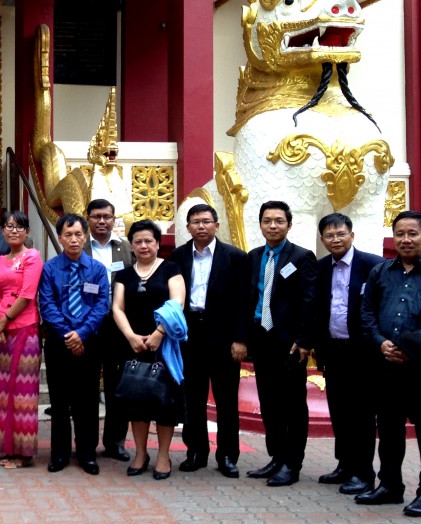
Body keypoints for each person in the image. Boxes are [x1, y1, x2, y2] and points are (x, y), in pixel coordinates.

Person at [357, 210, 421, 517]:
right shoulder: (380, 273)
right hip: (386, 365)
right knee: (388, 429)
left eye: (412, 233)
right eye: (400, 233)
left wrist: (410, 349)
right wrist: (381, 342)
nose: (405, 239)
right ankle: (389, 485)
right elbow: (367, 313)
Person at [170, 204, 249, 478]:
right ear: (188, 227)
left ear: (216, 225)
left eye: (206, 221)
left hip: (225, 339)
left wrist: (240, 339)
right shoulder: (178, 257)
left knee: (227, 399)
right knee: (192, 398)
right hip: (190, 337)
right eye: (195, 222)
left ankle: (227, 455)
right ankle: (196, 452)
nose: (200, 226)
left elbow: (243, 302)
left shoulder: (236, 257)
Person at [245, 200, 318, 487]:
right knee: (269, 402)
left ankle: (292, 463)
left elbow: (311, 302)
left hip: (290, 345)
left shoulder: (302, 257)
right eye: (267, 220)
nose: (272, 226)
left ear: (289, 224)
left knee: (293, 405)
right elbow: (248, 298)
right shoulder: (253, 257)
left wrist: (304, 340)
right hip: (262, 340)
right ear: (260, 224)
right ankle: (276, 457)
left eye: (278, 221)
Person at [313, 213, 383, 495]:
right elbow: (317, 309)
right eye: (329, 235)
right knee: (339, 411)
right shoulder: (320, 268)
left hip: (363, 352)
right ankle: (344, 465)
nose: (335, 239)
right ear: (322, 240)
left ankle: (364, 473)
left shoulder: (374, 266)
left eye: (341, 234)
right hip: (333, 350)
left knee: (362, 414)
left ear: (351, 235)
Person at [112, 220, 186, 480]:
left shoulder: (171, 269)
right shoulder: (124, 275)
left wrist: (158, 334)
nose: (143, 246)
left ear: (157, 243)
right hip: (133, 344)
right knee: (136, 400)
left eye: (149, 241)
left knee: (164, 401)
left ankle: (163, 455)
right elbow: (117, 308)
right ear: (131, 245)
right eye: (138, 242)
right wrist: (131, 336)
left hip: (163, 345)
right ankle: (141, 453)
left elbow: (177, 303)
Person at [39, 213, 109, 476]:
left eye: (78, 234)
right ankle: (59, 453)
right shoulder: (50, 269)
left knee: (88, 401)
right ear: (59, 238)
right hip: (59, 343)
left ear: (85, 236)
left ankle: (87, 453)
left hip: (89, 343)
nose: (74, 239)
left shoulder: (97, 270)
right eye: (68, 235)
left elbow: (102, 305)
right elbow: (47, 305)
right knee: (59, 402)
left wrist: (81, 334)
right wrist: (69, 335)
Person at [0, 211, 42, 469]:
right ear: (3, 231)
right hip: (2, 331)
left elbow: (27, 294)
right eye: (9, 226)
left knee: (22, 394)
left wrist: (3, 321)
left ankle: (23, 453)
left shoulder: (32, 256)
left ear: (27, 232)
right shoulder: (0, 260)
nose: (13, 231)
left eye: (19, 227)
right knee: (1, 392)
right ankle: (5, 447)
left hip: (24, 328)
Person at [83, 198, 133, 463]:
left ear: (114, 220)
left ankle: (115, 441)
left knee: (117, 386)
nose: (102, 221)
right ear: (87, 218)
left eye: (107, 217)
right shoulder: (78, 246)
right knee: (88, 386)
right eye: (96, 216)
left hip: (119, 325)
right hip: (88, 324)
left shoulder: (126, 249)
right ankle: (87, 443)